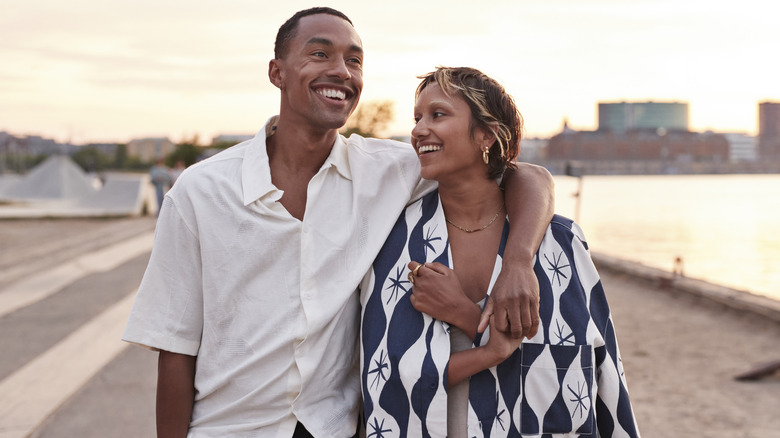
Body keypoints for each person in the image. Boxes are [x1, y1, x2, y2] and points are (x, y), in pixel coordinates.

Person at [122, 8, 554, 438]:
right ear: (277, 72)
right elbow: (176, 348)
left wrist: (518, 261)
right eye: (320, 54)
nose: (342, 71)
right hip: (226, 429)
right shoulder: (201, 191)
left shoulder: (388, 171)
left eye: (354, 60)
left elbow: (526, 176)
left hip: (330, 429)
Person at [360, 67, 640, 437]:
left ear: (487, 135)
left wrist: (465, 313)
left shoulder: (560, 242)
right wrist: (489, 348)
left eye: (438, 115)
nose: (418, 130)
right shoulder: (396, 242)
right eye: (417, 118)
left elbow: (596, 370)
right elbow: (386, 376)